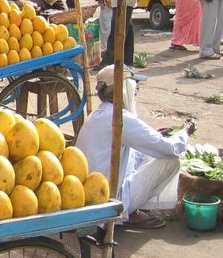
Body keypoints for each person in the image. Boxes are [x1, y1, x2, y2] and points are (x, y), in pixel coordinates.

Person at [76, 65, 191, 228]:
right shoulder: (119, 117)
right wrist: (185, 132)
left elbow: (140, 146)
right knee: (171, 161)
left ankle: (132, 208)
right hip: (107, 198)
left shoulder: (100, 113)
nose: (136, 92)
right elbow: (168, 148)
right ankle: (129, 212)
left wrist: (155, 135)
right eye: (134, 87)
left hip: (95, 193)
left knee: (145, 151)